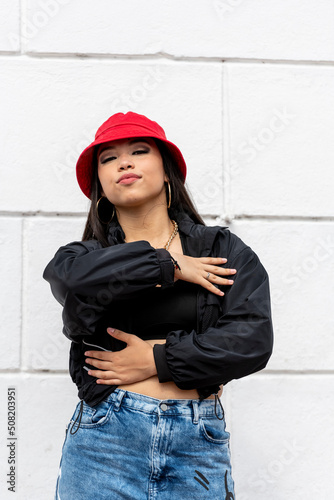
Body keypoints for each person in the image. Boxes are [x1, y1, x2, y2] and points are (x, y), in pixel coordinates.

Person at [43, 111, 274, 500]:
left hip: (197, 441)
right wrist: (168, 265)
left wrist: (158, 359)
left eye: (138, 150)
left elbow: (251, 340)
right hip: (105, 440)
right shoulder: (84, 258)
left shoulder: (220, 250)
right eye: (108, 158)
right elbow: (67, 280)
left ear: (167, 171)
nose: (124, 162)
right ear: (99, 183)